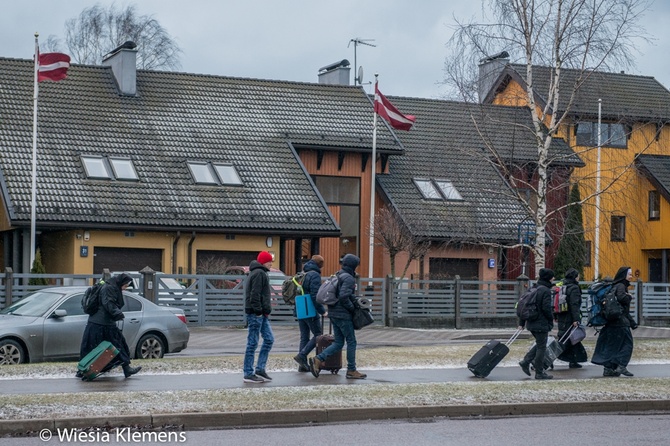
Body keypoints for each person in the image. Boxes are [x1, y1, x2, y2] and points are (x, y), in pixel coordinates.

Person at [309, 254, 367, 379]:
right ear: (353, 265)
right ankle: (351, 370)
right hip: (343, 315)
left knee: (339, 342)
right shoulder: (349, 278)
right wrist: (352, 308)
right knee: (351, 341)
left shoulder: (338, 274)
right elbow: (343, 296)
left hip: (333, 313)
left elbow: (342, 294)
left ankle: (318, 359)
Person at [79, 273, 142, 378]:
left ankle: (84, 371)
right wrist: (118, 313)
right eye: (125, 286)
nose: (125, 288)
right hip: (103, 324)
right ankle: (126, 368)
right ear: (120, 283)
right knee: (118, 345)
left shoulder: (110, 286)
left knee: (91, 348)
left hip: (98, 323)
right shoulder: (109, 288)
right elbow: (108, 303)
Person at [591, 266, 638, 377]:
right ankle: (621, 366)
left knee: (612, 346)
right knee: (627, 344)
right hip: (620, 323)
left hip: (612, 321)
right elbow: (622, 299)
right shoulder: (621, 286)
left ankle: (608, 369)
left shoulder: (614, 286)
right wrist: (629, 297)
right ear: (624, 275)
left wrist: (632, 323)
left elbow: (621, 308)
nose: (631, 276)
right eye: (629, 274)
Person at [242, 251, 275, 383]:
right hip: (257, 314)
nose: (271, 263)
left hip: (261, 314)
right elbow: (254, 295)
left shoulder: (258, 273)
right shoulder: (259, 273)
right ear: (263, 262)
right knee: (253, 343)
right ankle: (248, 373)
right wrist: (259, 311)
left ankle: (260, 369)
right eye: (269, 261)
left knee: (269, 339)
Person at [518, 268, 555, 380]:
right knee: (541, 347)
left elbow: (523, 305)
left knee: (540, 344)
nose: (554, 279)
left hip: (531, 322)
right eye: (552, 277)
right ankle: (539, 372)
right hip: (541, 322)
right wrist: (551, 319)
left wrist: (522, 322)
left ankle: (526, 361)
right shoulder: (546, 291)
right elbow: (546, 308)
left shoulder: (533, 288)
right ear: (548, 278)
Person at [293, 255, 327, 372]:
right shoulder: (315, 275)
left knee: (304, 337)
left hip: (300, 307)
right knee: (318, 334)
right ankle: (302, 356)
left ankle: (302, 365)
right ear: (320, 264)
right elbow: (315, 296)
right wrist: (322, 311)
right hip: (310, 309)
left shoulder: (303, 273)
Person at [556, 268, 588, 368]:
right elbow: (574, 304)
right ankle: (542, 361)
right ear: (574, 277)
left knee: (571, 339)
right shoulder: (574, 288)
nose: (579, 277)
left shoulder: (562, 286)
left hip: (562, 316)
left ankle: (573, 361)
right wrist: (576, 319)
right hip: (570, 318)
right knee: (566, 341)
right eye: (578, 276)